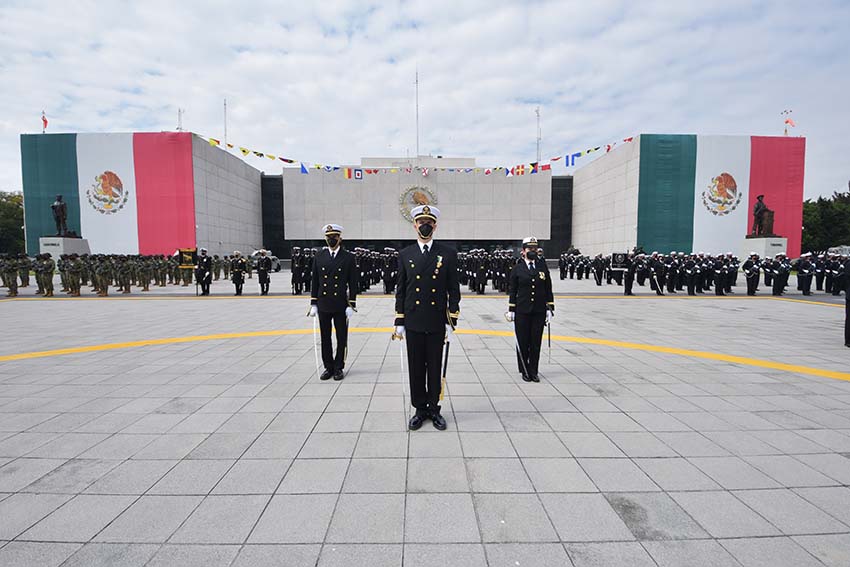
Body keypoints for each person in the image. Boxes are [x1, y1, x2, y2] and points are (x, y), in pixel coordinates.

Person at [394, 205, 460, 431]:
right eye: (421, 222)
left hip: (435, 320)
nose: (425, 226)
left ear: (435, 225)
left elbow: (453, 288)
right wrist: (399, 320)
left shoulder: (448, 254)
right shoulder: (405, 255)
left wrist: (452, 318)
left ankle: (434, 408)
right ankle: (419, 409)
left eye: (429, 222)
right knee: (416, 367)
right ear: (414, 225)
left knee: (434, 366)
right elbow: (401, 290)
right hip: (413, 320)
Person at [308, 224, 358, 381]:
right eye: (329, 237)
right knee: (325, 337)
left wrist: (352, 303)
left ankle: (338, 367)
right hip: (323, 302)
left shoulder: (348, 257)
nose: (331, 240)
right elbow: (315, 280)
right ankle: (328, 367)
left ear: (340, 238)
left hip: (340, 303)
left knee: (341, 337)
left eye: (334, 237)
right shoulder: (319, 256)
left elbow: (353, 282)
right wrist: (313, 303)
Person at [507, 237, 554, 382]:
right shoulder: (517, 268)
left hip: (539, 310)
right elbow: (513, 290)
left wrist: (550, 307)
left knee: (535, 342)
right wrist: (511, 309)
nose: (533, 251)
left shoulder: (542, 266)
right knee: (523, 341)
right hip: (522, 311)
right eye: (530, 248)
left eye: (535, 248)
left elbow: (548, 288)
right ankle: (524, 369)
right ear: (523, 251)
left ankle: (534, 370)